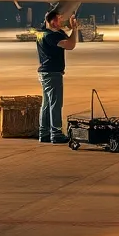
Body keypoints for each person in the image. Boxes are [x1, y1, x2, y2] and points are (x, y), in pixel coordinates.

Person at [37, 8, 79, 144]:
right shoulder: (51, 36)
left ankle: (43, 133)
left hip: (45, 72)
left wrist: (68, 29)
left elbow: (65, 37)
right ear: (51, 21)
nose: (61, 22)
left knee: (46, 104)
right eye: (58, 20)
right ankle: (56, 133)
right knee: (55, 104)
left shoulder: (42, 33)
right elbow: (71, 45)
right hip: (52, 73)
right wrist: (75, 29)